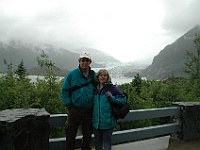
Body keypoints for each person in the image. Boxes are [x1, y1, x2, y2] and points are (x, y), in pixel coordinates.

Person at [60, 52, 97, 150]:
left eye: (87, 61)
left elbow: (102, 86)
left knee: (87, 135)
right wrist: (69, 105)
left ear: (90, 62)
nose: (84, 63)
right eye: (82, 60)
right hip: (75, 110)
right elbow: (64, 91)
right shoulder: (72, 74)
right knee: (70, 134)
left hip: (89, 111)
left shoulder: (94, 75)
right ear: (79, 62)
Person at [92, 69, 127, 150]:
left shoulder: (112, 88)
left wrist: (113, 98)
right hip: (96, 122)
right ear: (98, 77)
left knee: (107, 142)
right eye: (101, 75)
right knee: (97, 142)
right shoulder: (95, 89)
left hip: (108, 122)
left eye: (105, 75)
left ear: (108, 77)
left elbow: (123, 99)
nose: (102, 77)